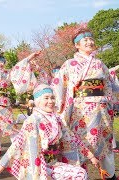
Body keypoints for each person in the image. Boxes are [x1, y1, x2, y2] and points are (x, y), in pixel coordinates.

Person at [0, 84, 98, 180]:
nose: (50, 101)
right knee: (79, 175)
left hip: (54, 163)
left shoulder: (57, 119)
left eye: (52, 98)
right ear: (38, 101)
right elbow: (17, 143)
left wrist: (91, 156)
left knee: (80, 173)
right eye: (46, 98)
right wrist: (1, 165)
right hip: (38, 165)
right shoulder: (32, 120)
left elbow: (72, 139)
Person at [52, 28, 117, 179]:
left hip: (101, 109)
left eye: (91, 39)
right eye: (85, 40)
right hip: (80, 110)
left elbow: (108, 85)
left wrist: (108, 102)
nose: (89, 42)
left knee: (104, 142)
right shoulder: (69, 64)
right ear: (77, 45)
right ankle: (78, 174)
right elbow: (58, 85)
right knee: (80, 142)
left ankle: (110, 174)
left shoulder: (100, 63)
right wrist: (58, 107)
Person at [0, 52, 41, 157]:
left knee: (10, 125)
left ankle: (17, 146)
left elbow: (20, 67)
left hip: (5, 102)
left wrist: (31, 56)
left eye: (1, 62)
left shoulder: (9, 74)